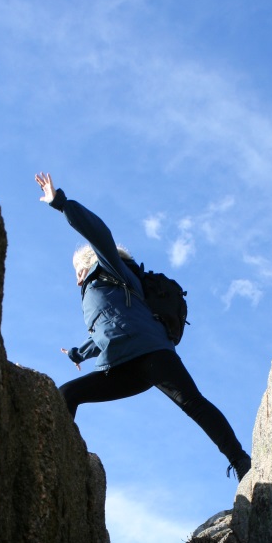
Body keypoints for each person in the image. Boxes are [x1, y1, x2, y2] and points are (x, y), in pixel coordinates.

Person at [35, 172, 252, 480]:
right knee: (67, 393)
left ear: (85, 265)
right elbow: (107, 332)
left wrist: (61, 203)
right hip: (122, 367)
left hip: (152, 354)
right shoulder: (97, 296)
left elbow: (99, 233)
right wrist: (77, 354)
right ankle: (62, 463)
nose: (75, 278)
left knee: (193, 403)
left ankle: (241, 461)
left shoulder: (110, 267)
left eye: (76, 270)